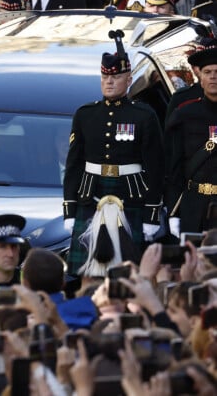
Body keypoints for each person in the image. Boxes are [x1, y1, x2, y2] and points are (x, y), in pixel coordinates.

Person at [63, 30, 165, 278]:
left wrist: (152, 213)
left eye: (116, 77)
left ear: (128, 80)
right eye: (105, 76)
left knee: (130, 271)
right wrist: (69, 208)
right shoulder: (86, 114)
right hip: (91, 194)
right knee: (84, 273)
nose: (109, 82)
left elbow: (155, 166)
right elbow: (74, 164)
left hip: (131, 196)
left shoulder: (144, 115)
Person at [165, 43, 217, 234]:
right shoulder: (184, 115)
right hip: (194, 207)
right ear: (200, 78)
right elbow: (173, 168)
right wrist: (173, 212)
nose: (213, 76)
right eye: (208, 72)